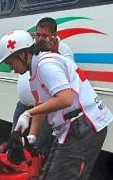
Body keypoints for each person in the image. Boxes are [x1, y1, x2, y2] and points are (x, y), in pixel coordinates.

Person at [0, 29, 113, 180]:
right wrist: (32, 138)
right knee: (49, 175)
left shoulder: (47, 65)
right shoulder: (36, 70)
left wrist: (28, 113)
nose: (11, 68)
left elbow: (65, 98)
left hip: (83, 128)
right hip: (70, 129)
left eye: (10, 62)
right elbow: (44, 104)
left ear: (23, 54)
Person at [13, 17, 75, 150]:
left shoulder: (58, 53)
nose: (40, 39)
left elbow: (67, 78)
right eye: (38, 35)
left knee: (40, 149)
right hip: (28, 105)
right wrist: (32, 135)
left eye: (45, 36)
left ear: (54, 35)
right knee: (17, 142)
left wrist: (55, 52)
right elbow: (40, 95)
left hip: (48, 109)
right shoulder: (33, 52)